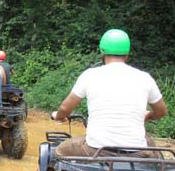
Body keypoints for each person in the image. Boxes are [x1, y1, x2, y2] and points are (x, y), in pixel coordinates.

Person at [51, 29, 168, 157]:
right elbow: (161, 111)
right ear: (127, 54)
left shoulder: (90, 75)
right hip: (136, 151)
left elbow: (65, 108)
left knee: (58, 151)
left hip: (96, 150)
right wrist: (148, 116)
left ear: (102, 52)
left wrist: (59, 116)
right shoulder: (145, 77)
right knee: (150, 145)